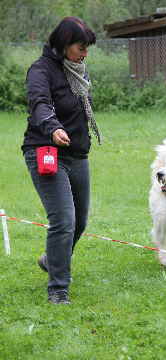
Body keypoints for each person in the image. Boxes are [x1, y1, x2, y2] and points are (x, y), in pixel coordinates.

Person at [22, 16, 101, 304]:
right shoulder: (40, 70)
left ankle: (51, 259)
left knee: (79, 222)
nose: (85, 53)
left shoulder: (77, 70)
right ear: (64, 44)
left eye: (87, 48)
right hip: (45, 150)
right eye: (81, 47)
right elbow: (39, 103)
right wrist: (53, 127)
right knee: (64, 220)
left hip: (76, 153)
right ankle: (58, 288)